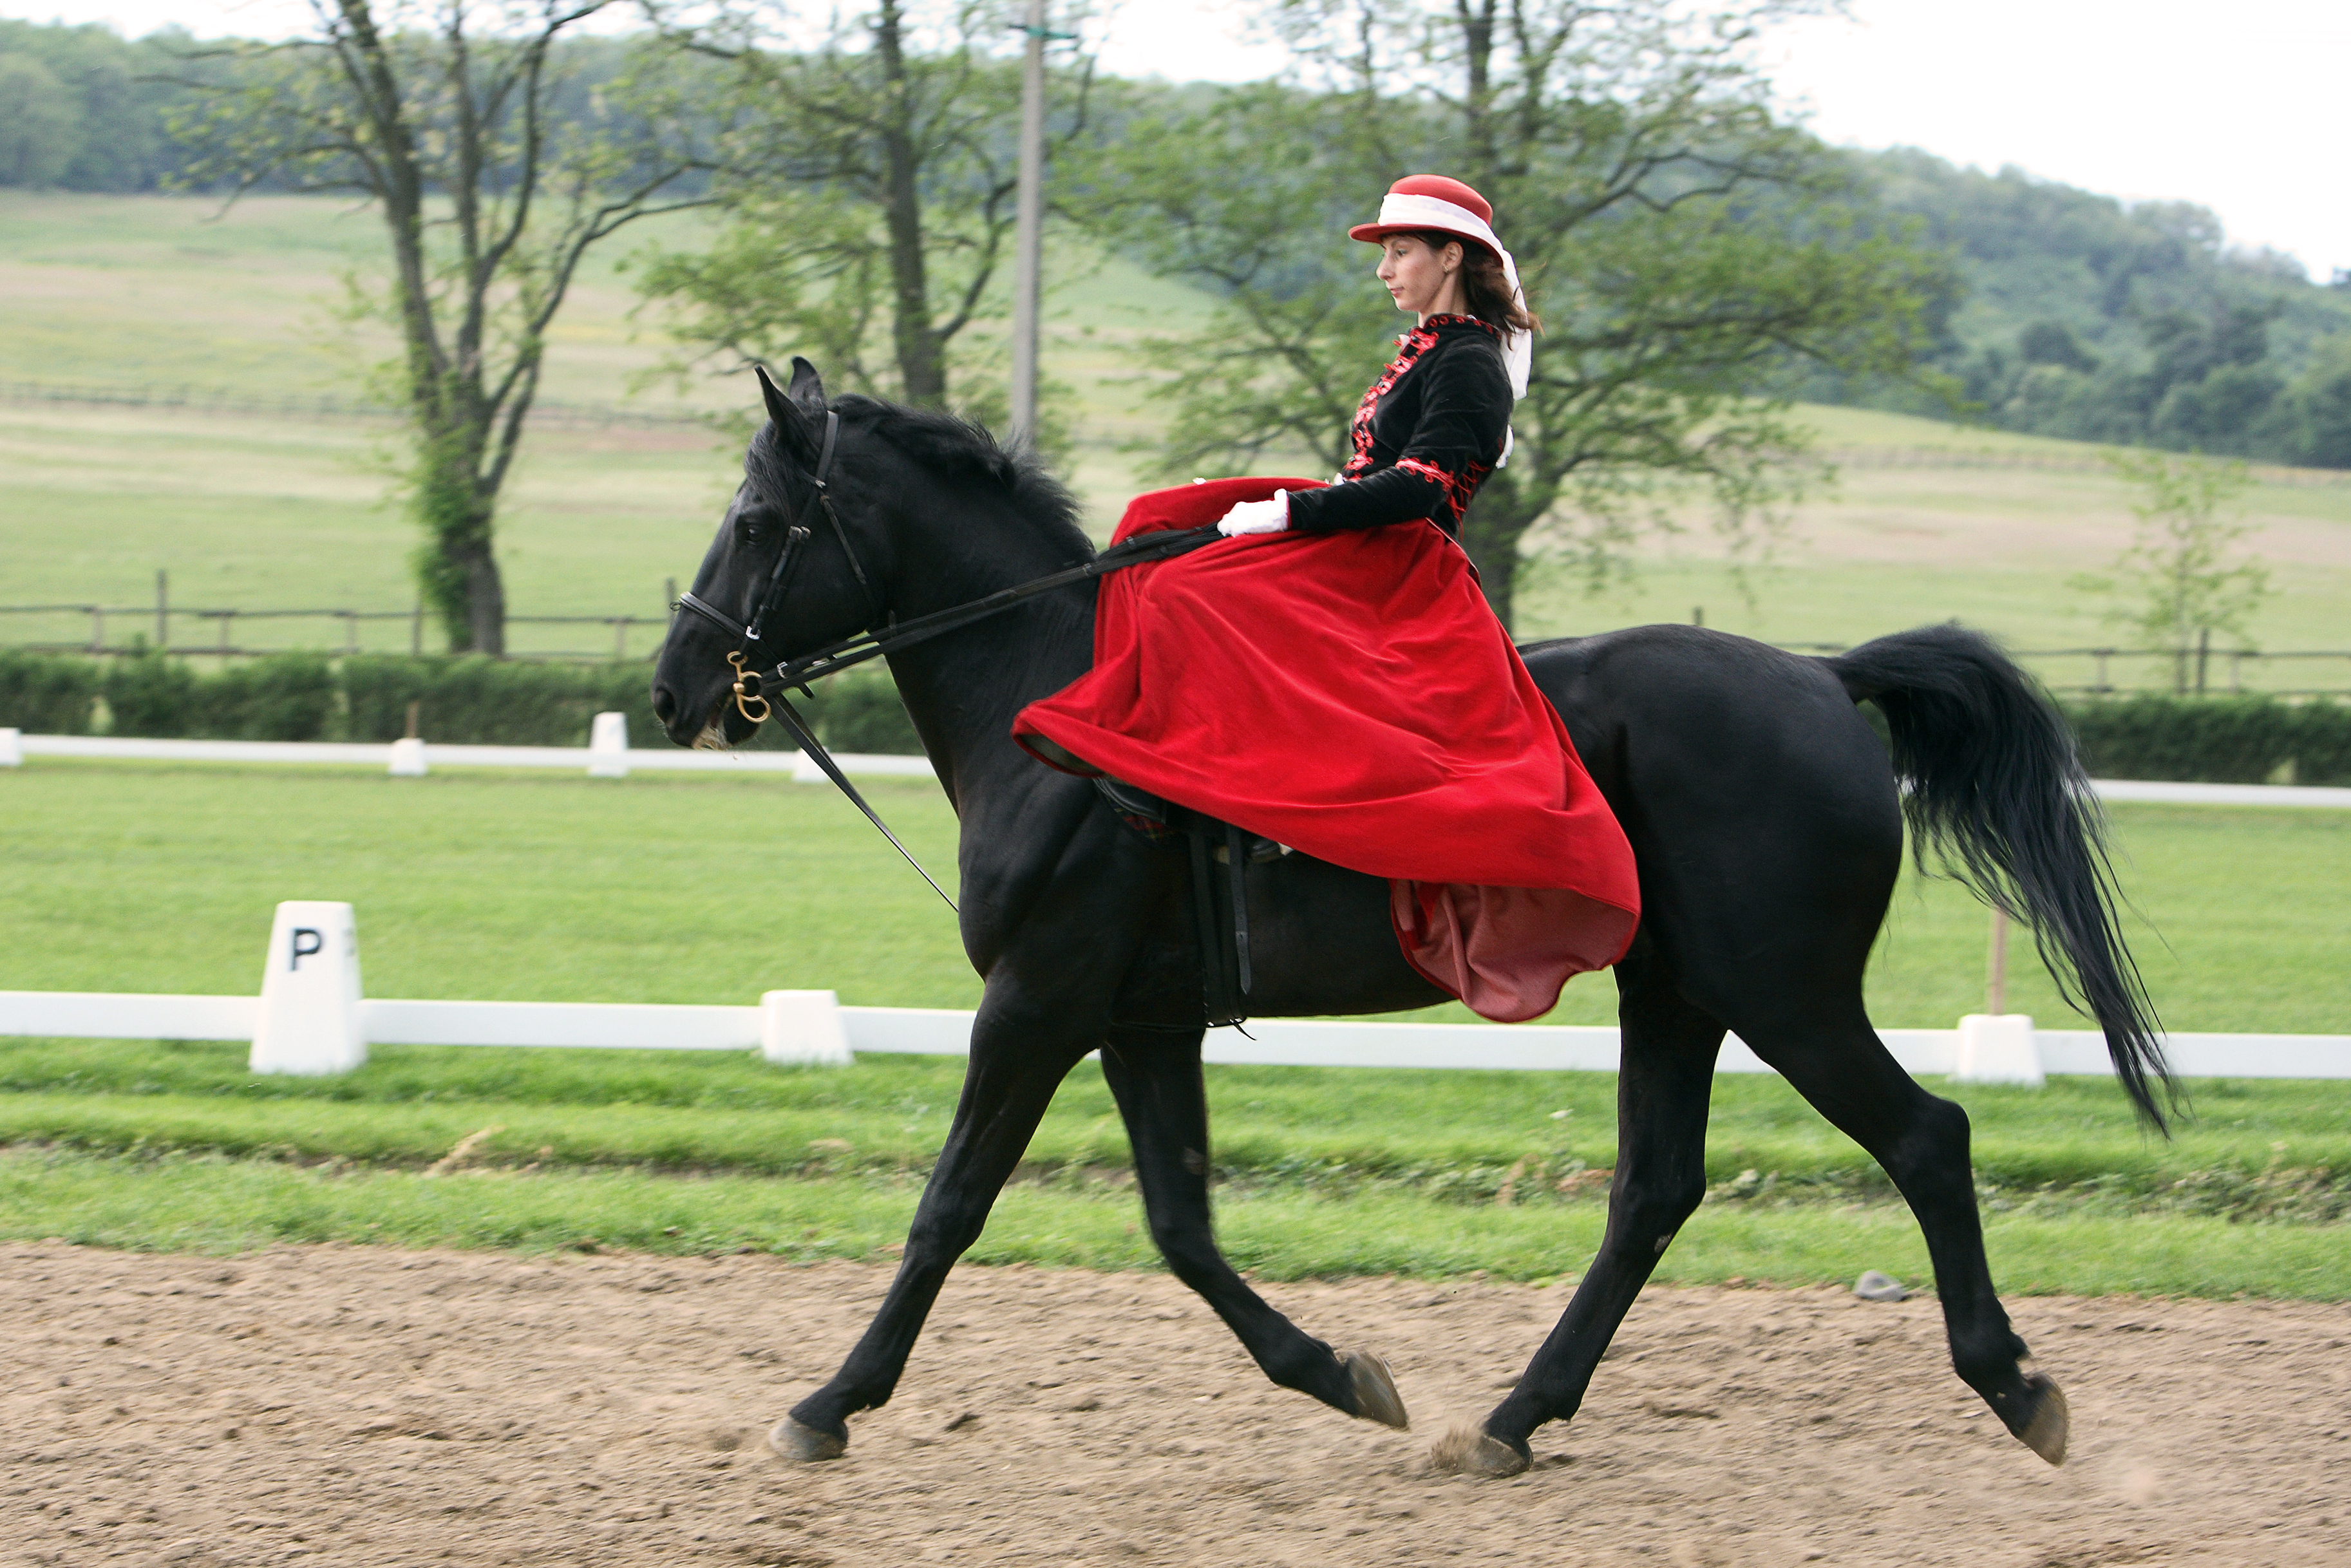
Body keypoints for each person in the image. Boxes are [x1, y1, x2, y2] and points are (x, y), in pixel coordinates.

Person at [1015, 176, 1639, 1024]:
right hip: (1364, 542)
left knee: (1190, 591)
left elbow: (1420, 487)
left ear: (1451, 258)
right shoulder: (1429, 348)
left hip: (1403, 565)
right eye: (1387, 254)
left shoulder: (1469, 361)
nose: (1385, 270)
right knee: (1159, 529)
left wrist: (1291, 513)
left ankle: (1221, 787)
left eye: (1401, 252)